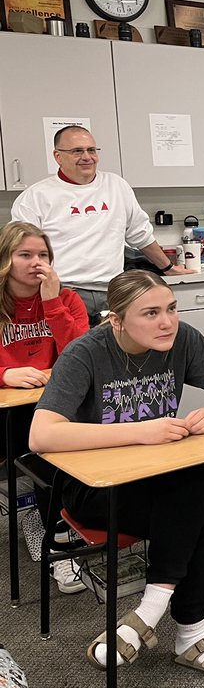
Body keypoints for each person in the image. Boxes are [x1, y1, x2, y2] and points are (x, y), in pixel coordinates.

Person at [28, 270, 204, 675]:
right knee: (197, 507)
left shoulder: (183, 339)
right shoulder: (85, 353)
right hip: (94, 488)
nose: (166, 322)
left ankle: (152, 615)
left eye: (170, 309)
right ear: (116, 320)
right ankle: (188, 632)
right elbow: (40, 436)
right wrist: (141, 432)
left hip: (156, 481)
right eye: (150, 313)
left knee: (193, 486)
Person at [10, 125, 193, 319]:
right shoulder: (36, 196)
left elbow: (141, 235)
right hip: (63, 292)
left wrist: (168, 268)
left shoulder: (116, 186)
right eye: (77, 151)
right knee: (72, 349)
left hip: (113, 291)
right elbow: (23, 252)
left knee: (118, 349)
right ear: (58, 156)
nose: (87, 157)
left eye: (91, 150)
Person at [0, 221, 90, 593]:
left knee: (68, 448)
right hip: (9, 409)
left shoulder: (67, 299)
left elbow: (85, 354)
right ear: (6, 259)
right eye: (25, 255)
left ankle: (56, 524)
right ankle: (51, 529)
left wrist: (52, 303)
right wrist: (5, 373)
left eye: (43, 255)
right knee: (39, 450)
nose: (36, 263)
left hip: (52, 405)